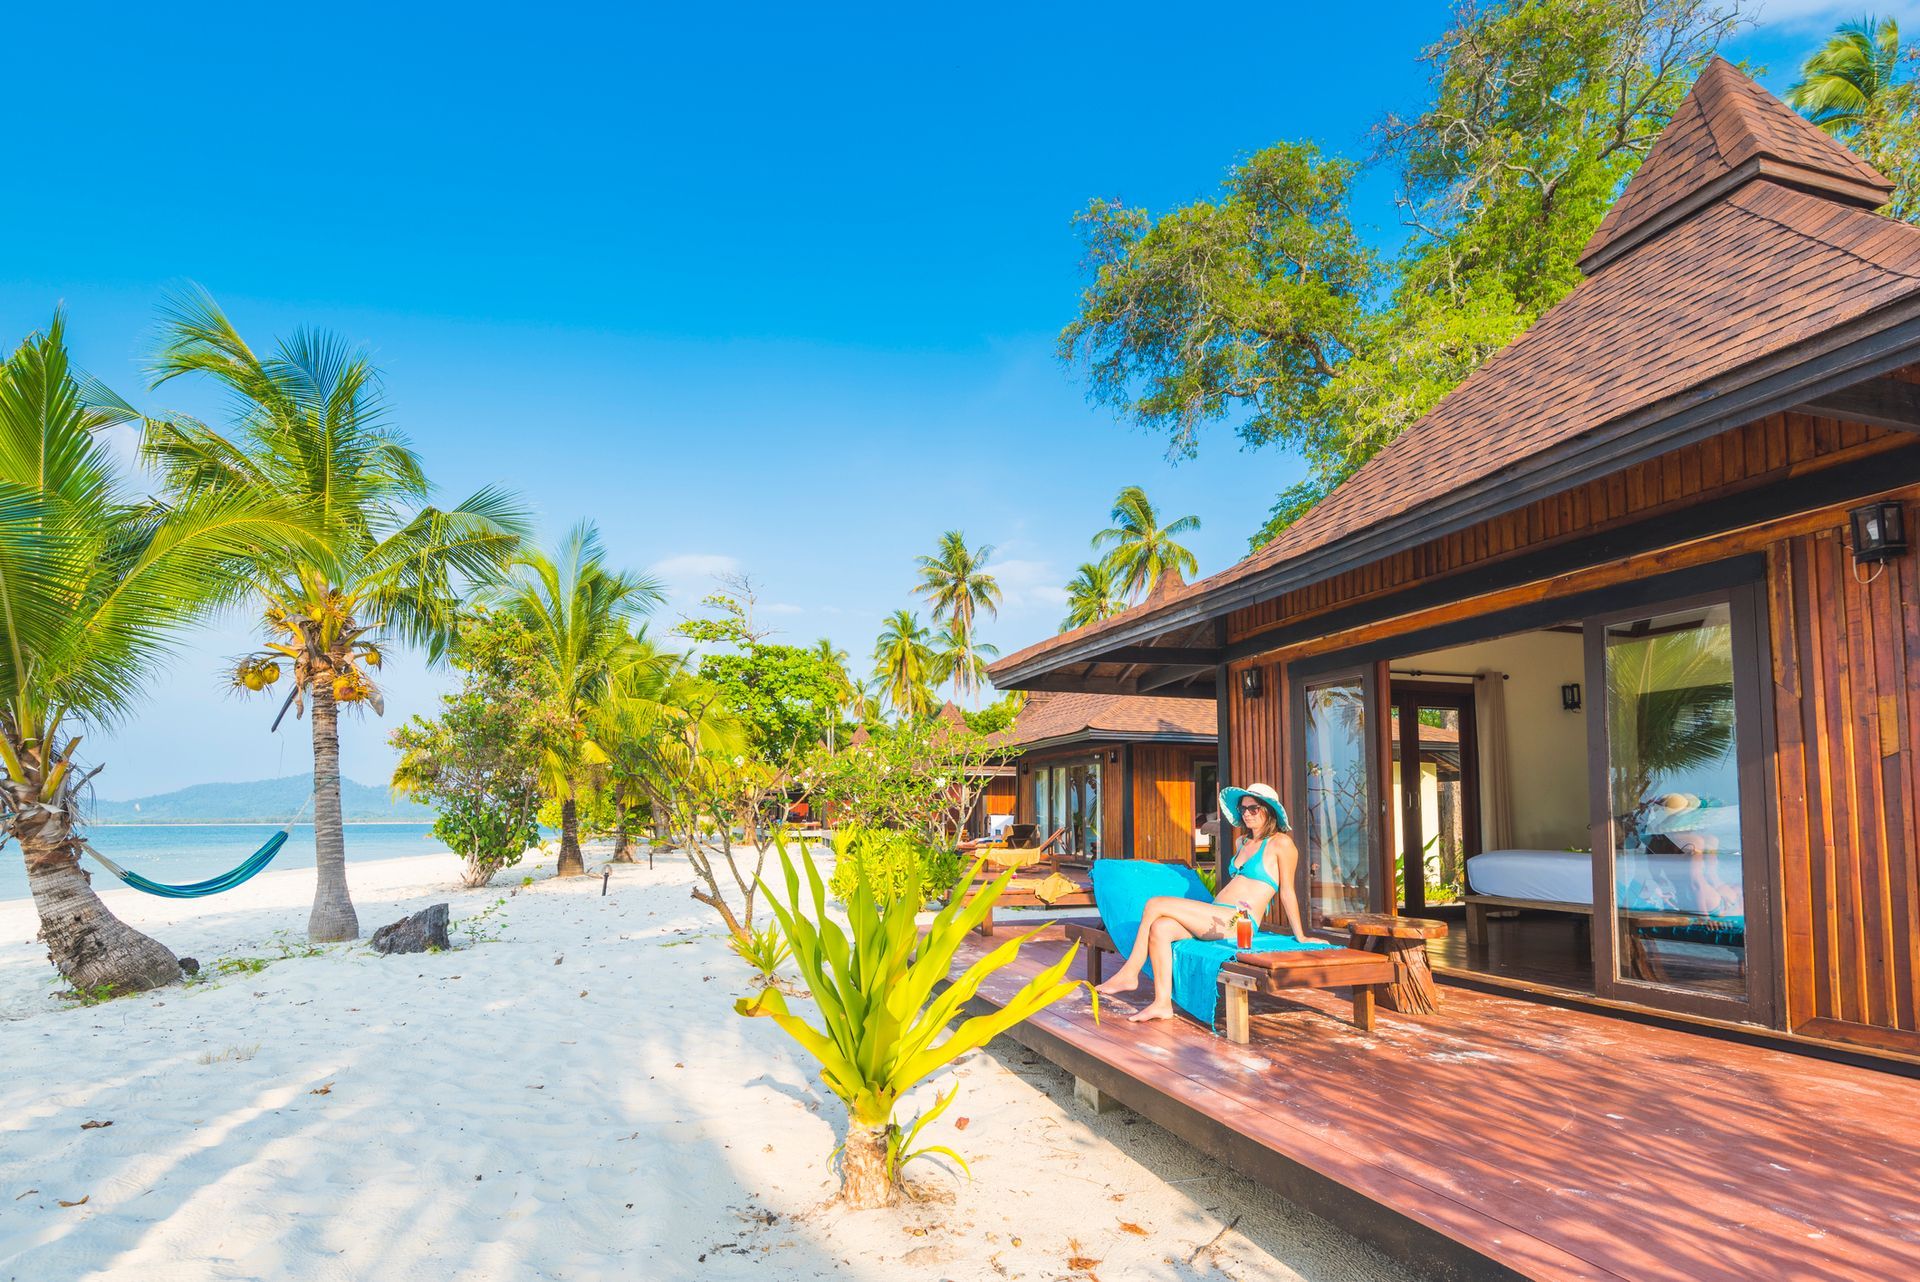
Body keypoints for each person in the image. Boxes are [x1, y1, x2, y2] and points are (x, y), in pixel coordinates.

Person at [1095, 782, 1308, 1022]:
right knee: (1161, 927)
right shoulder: (1242, 843)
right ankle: (1162, 1003)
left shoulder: (1281, 843)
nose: (1246, 814)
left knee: (1155, 904)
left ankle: (1130, 972)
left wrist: (1300, 935)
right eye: (1243, 809)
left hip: (1237, 921)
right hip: (1215, 914)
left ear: (1268, 811)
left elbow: (1287, 891)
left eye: (1253, 808)